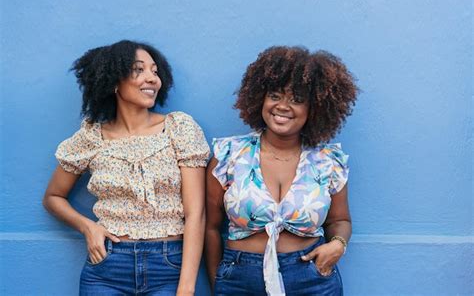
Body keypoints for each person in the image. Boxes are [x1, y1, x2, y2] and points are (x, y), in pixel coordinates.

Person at [43, 40, 210, 295]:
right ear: (113, 81)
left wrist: (186, 288)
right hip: (107, 268)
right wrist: (88, 227)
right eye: (138, 70)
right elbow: (53, 198)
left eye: (155, 71)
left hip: (168, 267)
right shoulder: (92, 136)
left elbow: (195, 214)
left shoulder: (179, 129)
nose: (152, 78)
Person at [205, 46, 358, 295]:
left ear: (314, 108)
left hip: (312, 277)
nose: (283, 106)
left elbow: (340, 220)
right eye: (275, 95)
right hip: (240, 278)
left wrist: (337, 245)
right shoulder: (228, 155)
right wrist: (218, 282)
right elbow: (210, 227)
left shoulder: (328, 161)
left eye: (297, 100)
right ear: (260, 98)